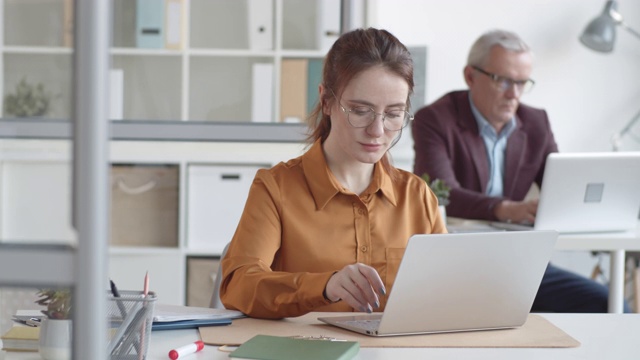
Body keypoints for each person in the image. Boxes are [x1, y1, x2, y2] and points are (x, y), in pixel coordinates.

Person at [219, 28, 447, 319]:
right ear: (326, 101)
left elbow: (443, 292)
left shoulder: (417, 196)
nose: (377, 131)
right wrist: (324, 286)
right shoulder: (276, 188)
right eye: (360, 110)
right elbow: (238, 286)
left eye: (393, 114)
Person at [412, 29, 618, 313]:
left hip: (520, 264)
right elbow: (440, 194)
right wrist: (506, 209)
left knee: (612, 306)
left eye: (522, 83)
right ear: (470, 76)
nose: (514, 94)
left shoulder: (536, 122)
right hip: (458, 264)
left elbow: (559, 187)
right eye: (503, 81)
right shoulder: (435, 119)